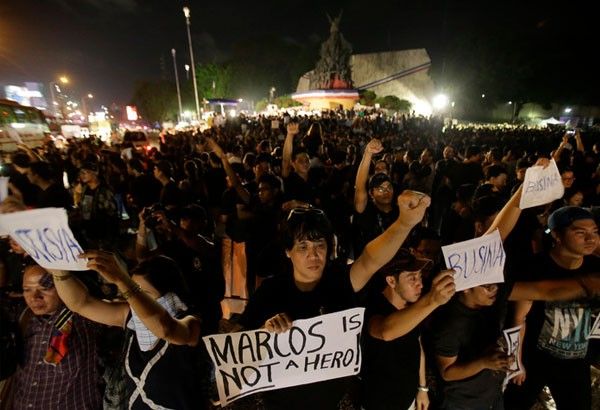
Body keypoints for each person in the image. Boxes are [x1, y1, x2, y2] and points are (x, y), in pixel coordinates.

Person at [239, 190, 431, 410]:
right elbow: (239, 345)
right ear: (287, 251)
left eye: (320, 245)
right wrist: (264, 332)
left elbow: (370, 260)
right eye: (303, 246)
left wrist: (404, 223)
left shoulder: (339, 281)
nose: (313, 255)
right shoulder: (270, 291)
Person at [50, 252, 207, 409]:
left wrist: (121, 279)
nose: (134, 300)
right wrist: (58, 270)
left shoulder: (191, 323)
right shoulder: (131, 317)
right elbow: (81, 303)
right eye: (132, 291)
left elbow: (165, 328)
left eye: (144, 294)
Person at [505, 206, 600, 410]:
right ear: (557, 235)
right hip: (535, 358)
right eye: (580, 233)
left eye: (595, 232)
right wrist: (516, 362)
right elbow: (518, 318)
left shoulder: (595, 268)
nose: (590, 239)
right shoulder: (535, 267)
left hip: (577, 360)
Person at [361, 249, 455, 410]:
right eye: (412, 278)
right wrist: (432, 300)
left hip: (409, 399)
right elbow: (386, 331)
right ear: (391, 281)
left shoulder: (413, 307)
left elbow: (417, 345)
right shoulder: (374, 307)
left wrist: (422, 388)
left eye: (419, 276)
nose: (420, 284)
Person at [9, 265, 103, 409]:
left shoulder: (83, 320)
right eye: (27, 289)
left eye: (45, 288)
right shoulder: (24, 319)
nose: (34, 297)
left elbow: (83, 298)